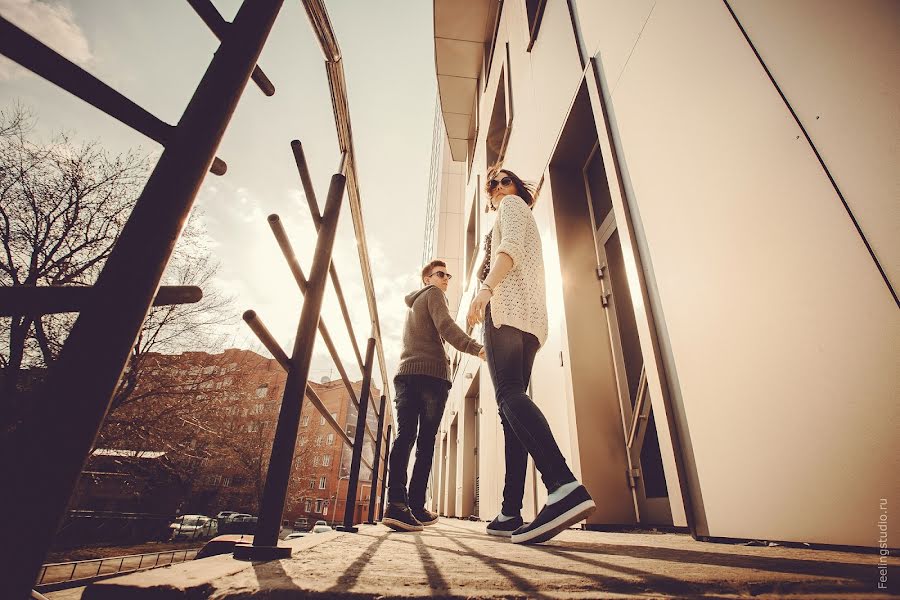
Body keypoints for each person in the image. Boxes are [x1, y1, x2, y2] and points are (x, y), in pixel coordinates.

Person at [467, 168, 595, 544]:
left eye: (505, 181)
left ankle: (562, 484)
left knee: (508, 396)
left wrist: (484, 291)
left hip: (506, 314)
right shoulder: (521, 216)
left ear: (517, 188)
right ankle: (510, 510)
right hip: (528, 323)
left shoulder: (511, 206)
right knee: (511, 414)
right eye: (493, 184)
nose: (498, 187)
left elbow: (510, 253)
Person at [383, 260, 486, 532]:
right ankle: (410, 504)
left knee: (405, 437)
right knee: (425, 442)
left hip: (406, 374)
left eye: (448, 276)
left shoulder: (415, 304)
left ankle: (401, 504)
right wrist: (476, 348)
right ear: (426, 279)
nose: (446, 280)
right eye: (440, 275)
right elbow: (447, 326)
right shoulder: (434, 294)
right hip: (430, 377)